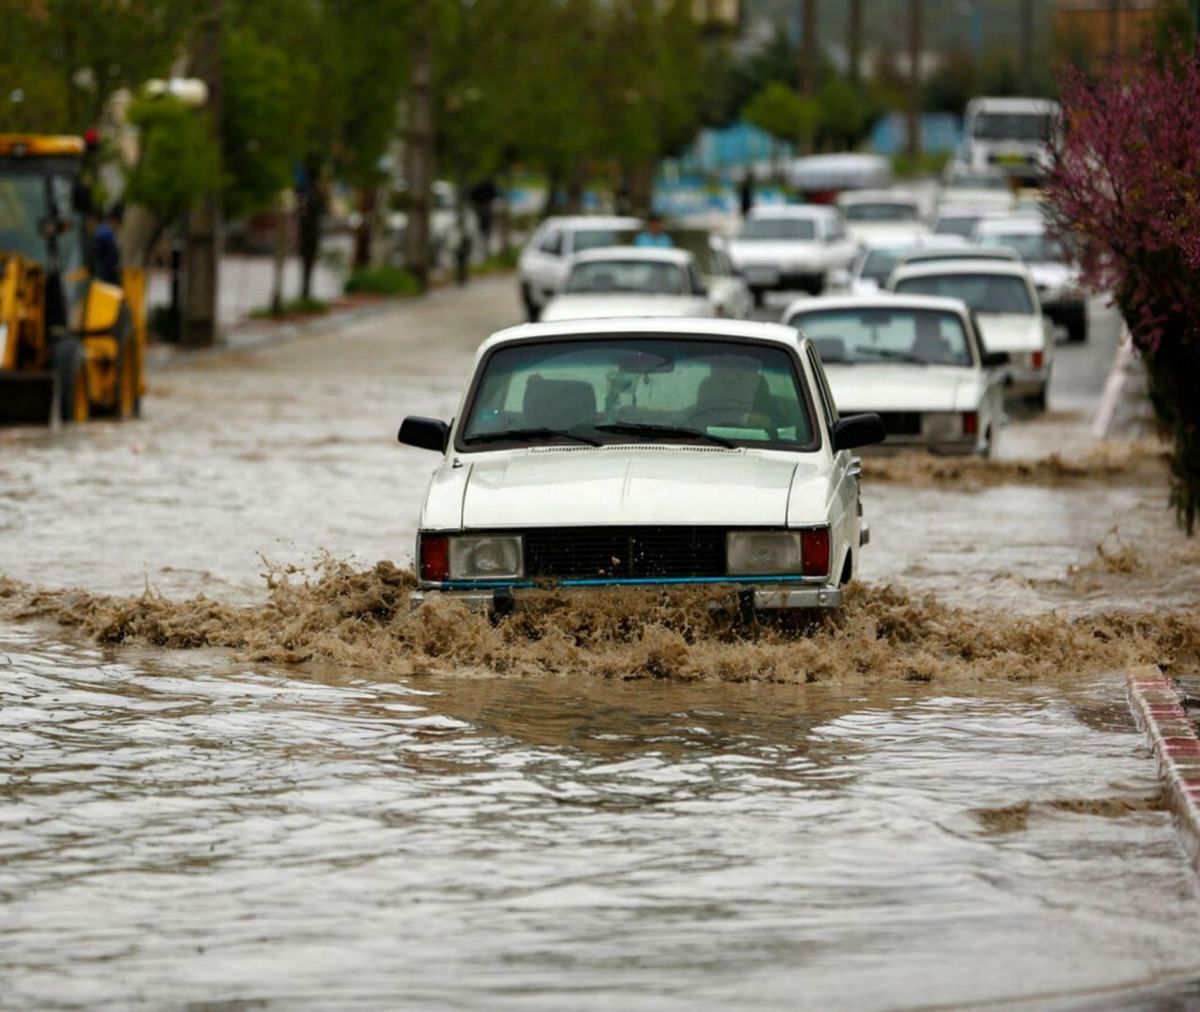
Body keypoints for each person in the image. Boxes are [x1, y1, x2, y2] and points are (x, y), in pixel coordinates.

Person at [92, 204, 122, 285]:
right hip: (107, 278)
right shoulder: (106, 234)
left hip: (103, 276)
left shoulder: (101, 232)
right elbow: (113, 257)